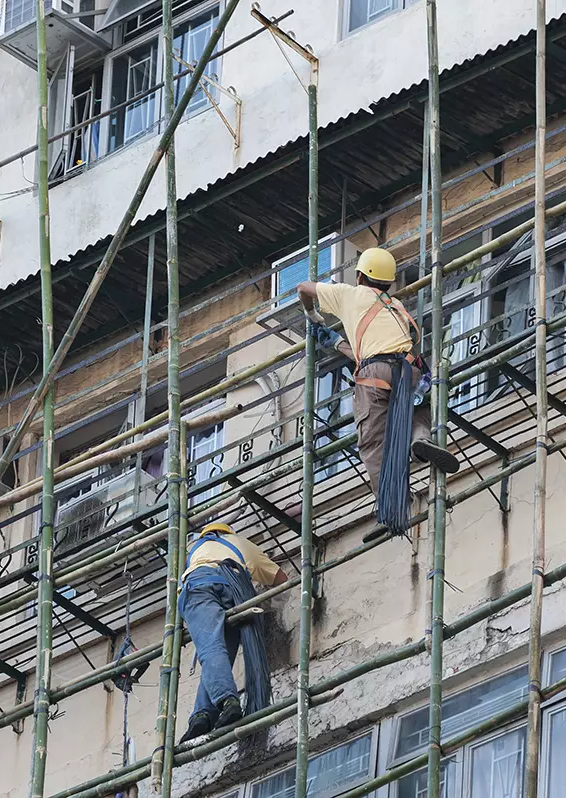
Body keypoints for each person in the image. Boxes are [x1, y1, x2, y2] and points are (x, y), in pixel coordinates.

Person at [296, 247, 460, 503]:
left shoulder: (349, 294)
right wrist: (338, 343)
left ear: (360, 276)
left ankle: (389, 501)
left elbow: (303, 289)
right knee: (417, 410)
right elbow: (379, 351)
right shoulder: (395, 306)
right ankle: (421, 440)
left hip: (374, 375)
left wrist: (312, 314)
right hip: (410, 369)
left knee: (373, 440)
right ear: (389, 282)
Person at [178, 522, 286, 744]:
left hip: (200, 587)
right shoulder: (243, 545)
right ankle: (202, 714)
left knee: (210, 648)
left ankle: (227, 700)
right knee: (220, 655)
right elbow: (281, 579)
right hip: (235, 592)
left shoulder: (191, 549)